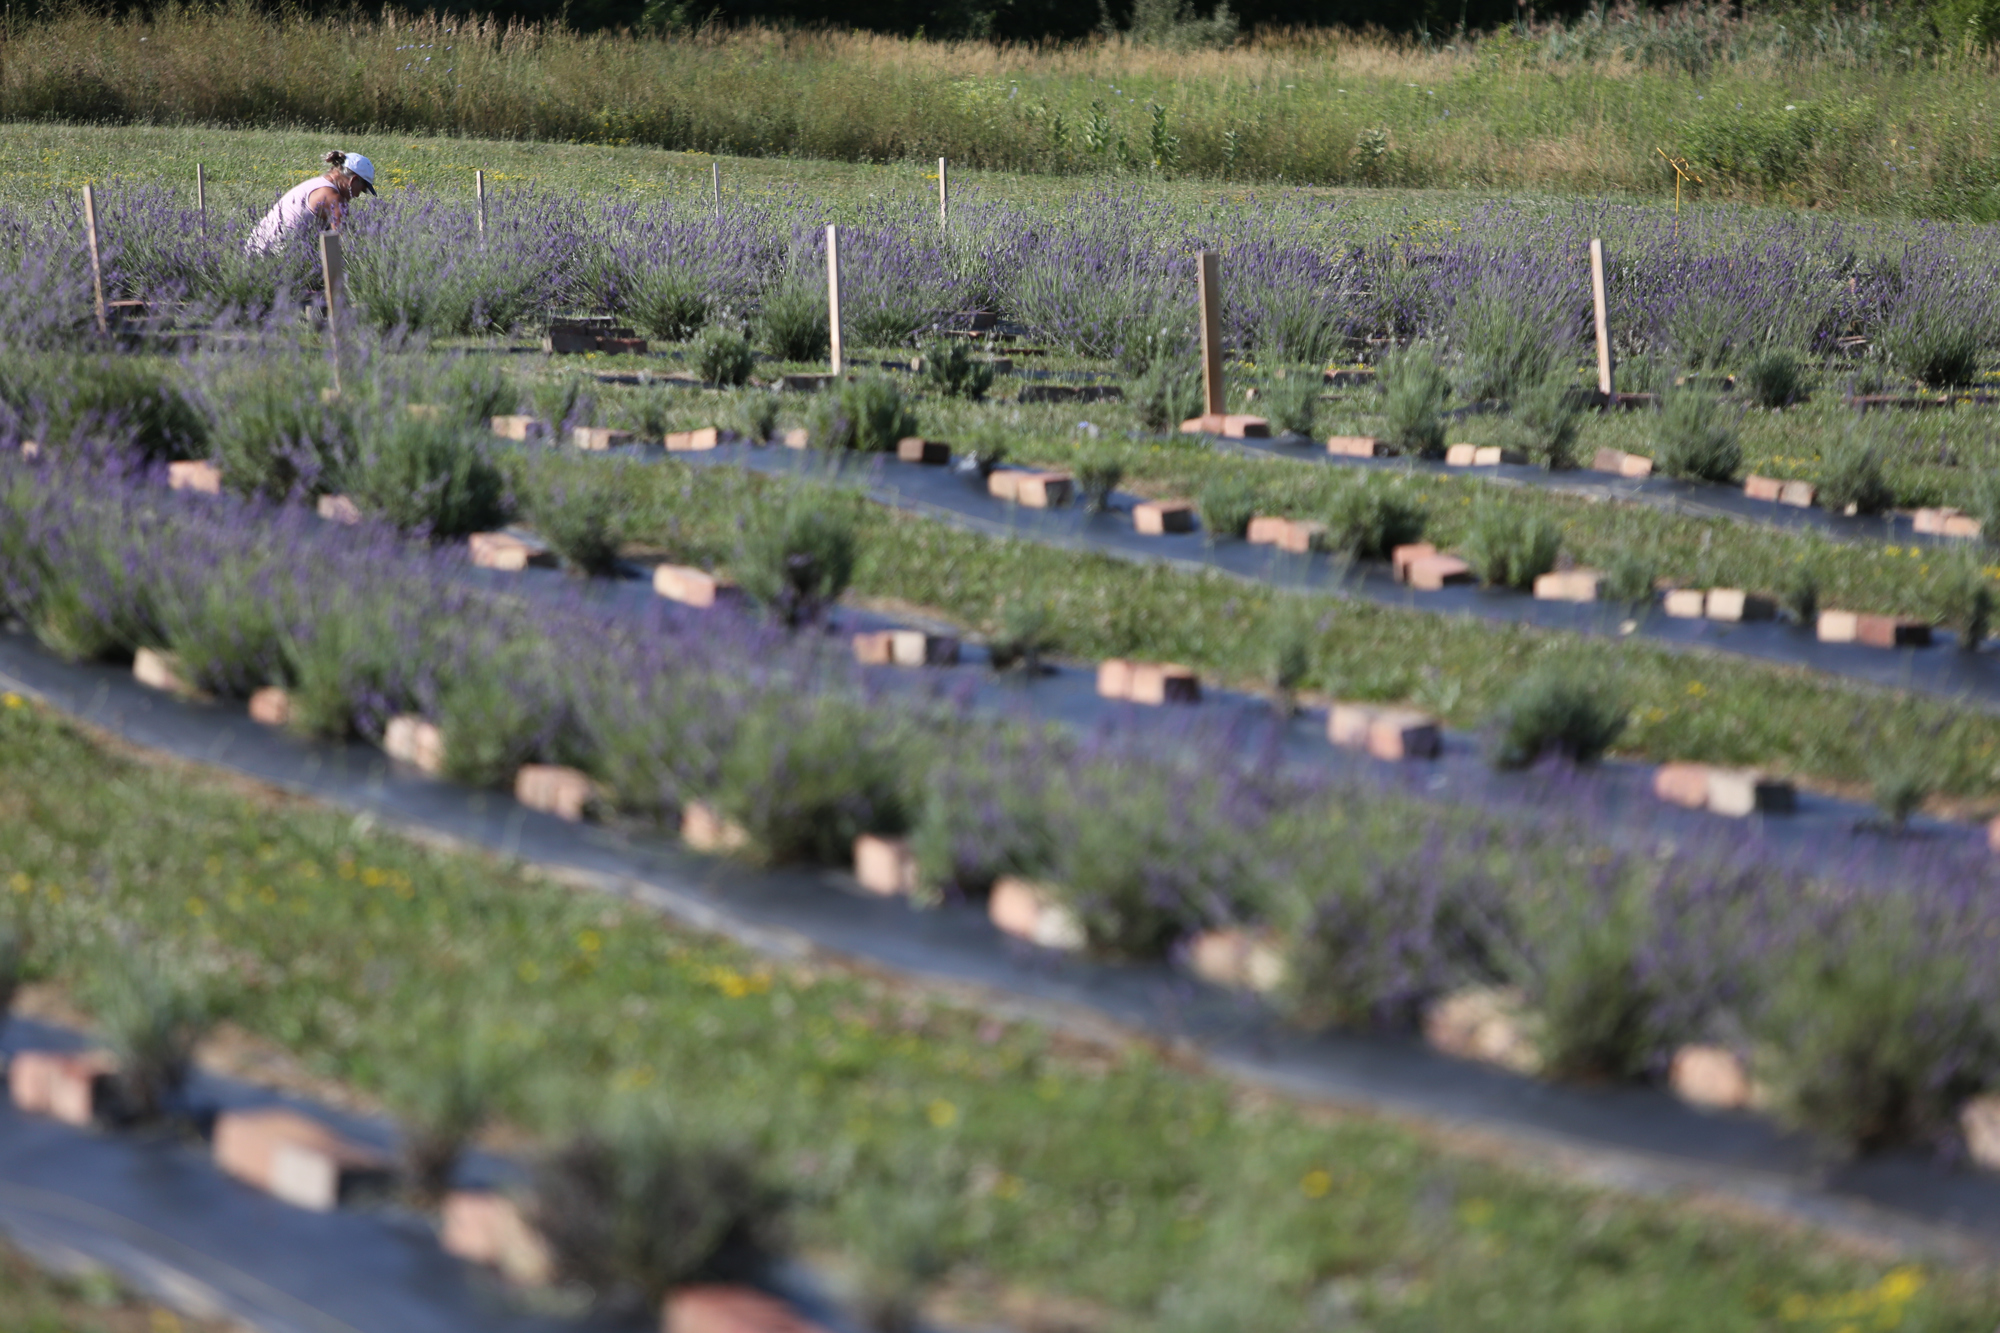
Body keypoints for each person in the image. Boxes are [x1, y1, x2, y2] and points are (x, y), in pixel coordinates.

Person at [245, 150, 376, 255]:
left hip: (253, 253)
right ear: (353, 181)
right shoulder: (333, 198)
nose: (358, 195)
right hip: (274, 260)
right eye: (362, 189)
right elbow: (346, 246)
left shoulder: (315, 184)